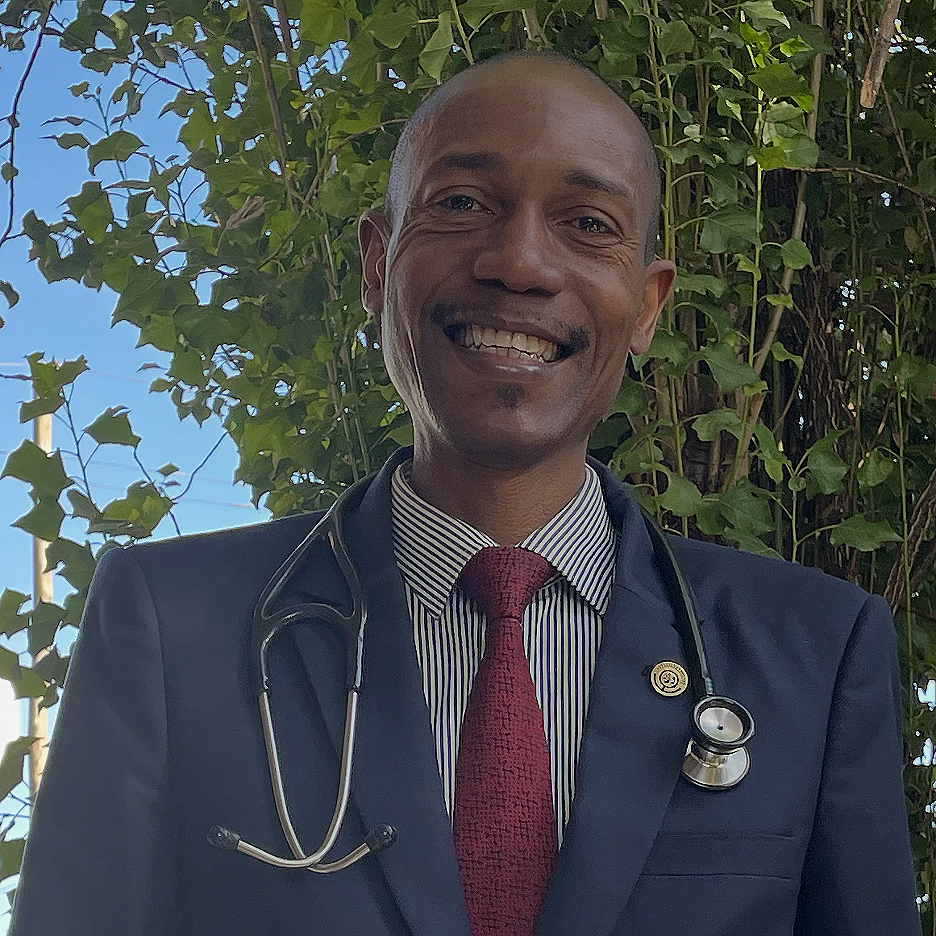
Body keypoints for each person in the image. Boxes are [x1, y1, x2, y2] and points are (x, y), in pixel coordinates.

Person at [12, 51, 920, 936]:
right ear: (376, 263)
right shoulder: (172, 627)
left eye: (588, 222)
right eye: (461, 204)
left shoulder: (817, 653)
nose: (520, 262)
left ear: (648, 306)